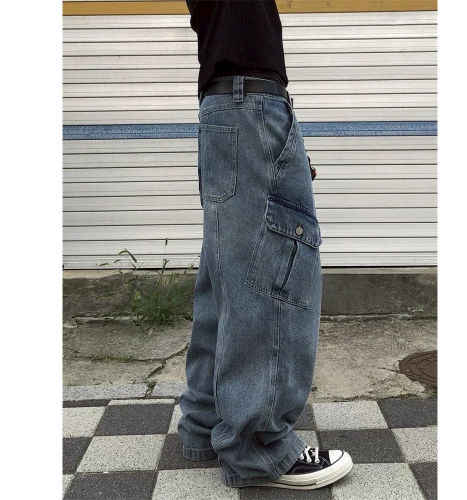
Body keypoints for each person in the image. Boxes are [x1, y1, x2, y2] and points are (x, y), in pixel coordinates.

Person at [177, 0, 353, 490]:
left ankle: (207, 421)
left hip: (227, 107)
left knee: (228, 274)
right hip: (250, 104)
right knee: (272, 274)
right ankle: (259, 448)